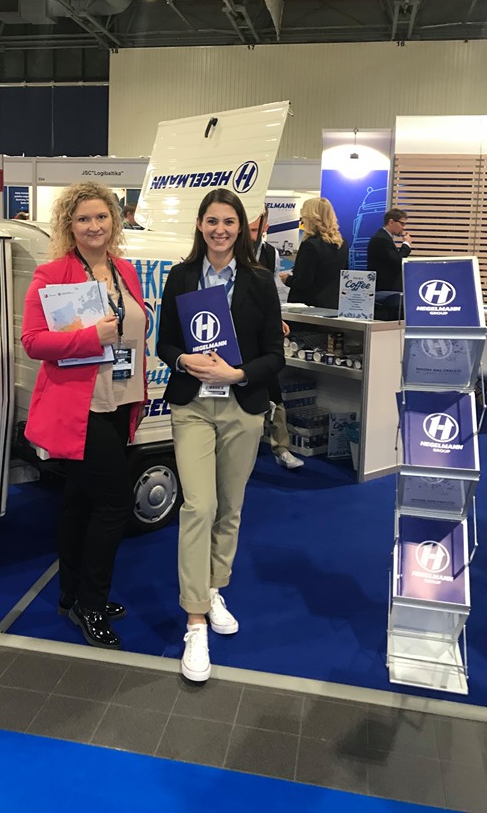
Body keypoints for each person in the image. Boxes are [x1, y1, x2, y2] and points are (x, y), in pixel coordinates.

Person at [157, 188, 285, 682]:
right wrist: (182, 360)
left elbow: (275, 354)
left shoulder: (259, 280)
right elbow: (166, 342)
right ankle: (195, 621)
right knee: (199, 506)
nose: (220, 230)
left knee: (230, 507)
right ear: (200, 225)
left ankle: (213, 589)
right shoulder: (181, 276)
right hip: (192, 406)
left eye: (229, 222)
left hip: (241, 405)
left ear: (242, 228)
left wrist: (238, 374)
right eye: (212, 221)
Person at [21, 182, 148, 651]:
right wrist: (92, 337)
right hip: (84, 406)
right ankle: (90, 605)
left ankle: (71, 592)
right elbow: (33, 341)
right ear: (69, 226)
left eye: (101, 217)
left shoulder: (125, 271)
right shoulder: (52, 274)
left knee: (80, 501)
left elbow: (133, 325)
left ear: (114, 220)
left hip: (121, 398)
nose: (94, 226)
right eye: (83, 219)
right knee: (114, 505)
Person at [249, 208, 303, 471]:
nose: (250, 235)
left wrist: (277, 318)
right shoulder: (226, 251)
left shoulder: (271, 254)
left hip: (263, 332)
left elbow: (273, 291)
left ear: (265, 226)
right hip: (236, 333)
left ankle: (281, 448)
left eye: (254, 229)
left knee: (273, 388)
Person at [281, 197, 348, 308]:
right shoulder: (342, 244)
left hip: (307, 306)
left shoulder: (310, 245)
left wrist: (287, 279)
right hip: (333, 305)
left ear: (309, 217)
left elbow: (303, 282)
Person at [367, 208, 413, 291]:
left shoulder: (384, 237)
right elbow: (397, 261)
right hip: (384, 289)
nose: (404, 227)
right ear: (391, 222)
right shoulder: (381, 239)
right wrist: (406, 244)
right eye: (402, 224)